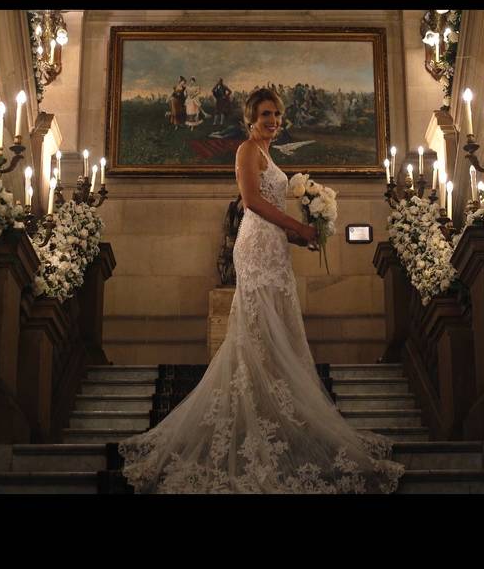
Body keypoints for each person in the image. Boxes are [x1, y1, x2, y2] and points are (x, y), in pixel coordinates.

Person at [118, 88, 404, 493]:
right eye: (266, 114)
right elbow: (252, 202)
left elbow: (275, 215)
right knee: (255, 333)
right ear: (251, 118)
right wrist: (297, 227)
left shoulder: (272, 156)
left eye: (277, 115)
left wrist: (303, 237)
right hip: (253, 250)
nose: (273, 121)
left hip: (274, 249)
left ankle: (273, 419)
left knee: (277, 336)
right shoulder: (246, 151)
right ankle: (249, 425)